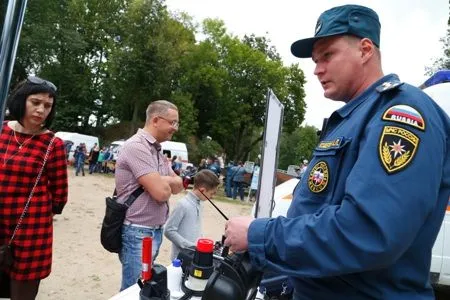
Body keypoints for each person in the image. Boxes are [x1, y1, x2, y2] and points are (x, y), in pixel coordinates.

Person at [224, 5, 450, 299]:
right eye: (316, 60)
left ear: (365, 49)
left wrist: (259, 236)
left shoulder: (401, 114)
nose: (317, 69)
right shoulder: (352, 117)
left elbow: (368, 233)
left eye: (327, 55)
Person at [0, 76, 68, 299]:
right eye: (35, 102)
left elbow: (59, 196)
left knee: (22, 294)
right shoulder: (1, 132)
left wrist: (30, 217)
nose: (41, 110)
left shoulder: (53, 144)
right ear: (22, 100)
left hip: (30, 233)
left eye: (47, 106)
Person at [115, 100, 184, 291]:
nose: (175, 128)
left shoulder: (156, 149)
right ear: (155, 120)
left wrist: (161, 180)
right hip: (138, 232)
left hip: (152, 231)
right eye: (172, 122)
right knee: (134, 289)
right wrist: (164, 182)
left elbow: (179, 185)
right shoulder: (137, 146)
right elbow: (162, 194)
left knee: (143, 286)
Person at [164, 169, 220, 260]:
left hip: (195, 254)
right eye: (212, 193)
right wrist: (189, 246)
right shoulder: (183, 204)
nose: (212, 197)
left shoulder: (200, 203)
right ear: (202, 190)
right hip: (181, 257)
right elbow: (168, 230)